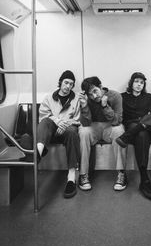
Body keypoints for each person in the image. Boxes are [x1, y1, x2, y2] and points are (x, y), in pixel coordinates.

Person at [116, 72, 151, 200]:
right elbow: (109, 99)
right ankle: (144, 179)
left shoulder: (149, 97)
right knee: (140, 132)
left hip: (149, 129)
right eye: (136, 81)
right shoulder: (122, 97)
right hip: (134, 128)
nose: (139, 85)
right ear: (131, 83)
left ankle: (128, 135)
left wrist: (143, 122)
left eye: (142, 82)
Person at [37, 70, 86, 199]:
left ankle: (71, 179)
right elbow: (43, 117)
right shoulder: (49, 97)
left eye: (71, 84)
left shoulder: (76, 99)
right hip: (51, 129)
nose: (68, 86)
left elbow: (79, 119)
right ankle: (39, 151)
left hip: (67, 130)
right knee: (46, 121)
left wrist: (65, 124)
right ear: (60, 82)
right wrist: (58, 122)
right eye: (66, 82)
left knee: (72, 132)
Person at [78, 76, 127, 191]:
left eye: (95, 91)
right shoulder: (87, 100)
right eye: (90, 94)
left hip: (110, 127)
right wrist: (84, 106)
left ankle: (121, 173)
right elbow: (85, 123)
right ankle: (83, 174)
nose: (94, 96)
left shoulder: (115, 96)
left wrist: (105, 106)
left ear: (101, 87)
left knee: (120, 130)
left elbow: (117, 120)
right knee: (83, 132)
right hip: (93, 127)